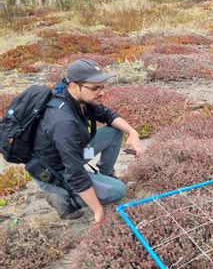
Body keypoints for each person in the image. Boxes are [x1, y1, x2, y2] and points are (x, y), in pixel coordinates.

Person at [29, 59, 142, 223]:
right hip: (55, 170)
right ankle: (62, 199)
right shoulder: (62, 121)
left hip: (75, 152)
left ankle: (106, 175)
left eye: (103, 87)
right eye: (95, 88)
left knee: (114, 132)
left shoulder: (79, 98)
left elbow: (108, 115)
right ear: (74, 86)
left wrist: (133, 132)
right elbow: (75, 173)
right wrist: (98, 211)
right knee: (118, 191)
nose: (101, 92)